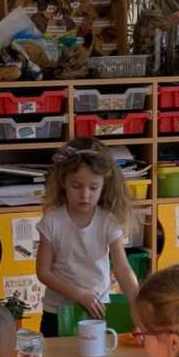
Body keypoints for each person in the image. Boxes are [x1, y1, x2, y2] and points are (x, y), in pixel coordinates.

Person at [35, 141, 140, 337]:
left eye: (93, 187)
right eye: (76, 186)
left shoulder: (108, 222)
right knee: (58, 356)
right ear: (64, 182)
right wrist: (79, 294)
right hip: (57, 312)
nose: (85, 195)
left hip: (97, 309)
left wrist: (137, 303)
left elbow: (123, 269)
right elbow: (43, 272)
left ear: (103, 186)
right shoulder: (52, 222)